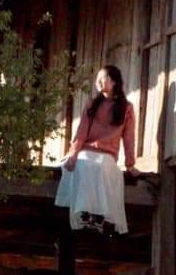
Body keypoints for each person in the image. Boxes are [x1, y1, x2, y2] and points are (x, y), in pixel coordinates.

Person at [54, 65, 138, 235]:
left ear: (113, 82)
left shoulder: (126, 108)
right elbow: (81, 132)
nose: (98, 82)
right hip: (87, 150)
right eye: (97, 79)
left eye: (102, 78)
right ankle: (84, 213)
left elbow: (129, 138)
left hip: (107, 154)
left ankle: (99, 216)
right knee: (83, 163)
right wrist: (73, 154)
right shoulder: (91, 104)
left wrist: (130, 164)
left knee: (100, 166)